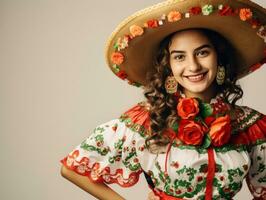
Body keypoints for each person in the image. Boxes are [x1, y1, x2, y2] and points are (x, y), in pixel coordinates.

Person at [60, 0, 266, 199]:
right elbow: (72, 170)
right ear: (168, 66)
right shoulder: (148, 119)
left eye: (202, 52)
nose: (193, 66)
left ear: (219, 57)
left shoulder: (252, 126)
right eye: (179, 56)